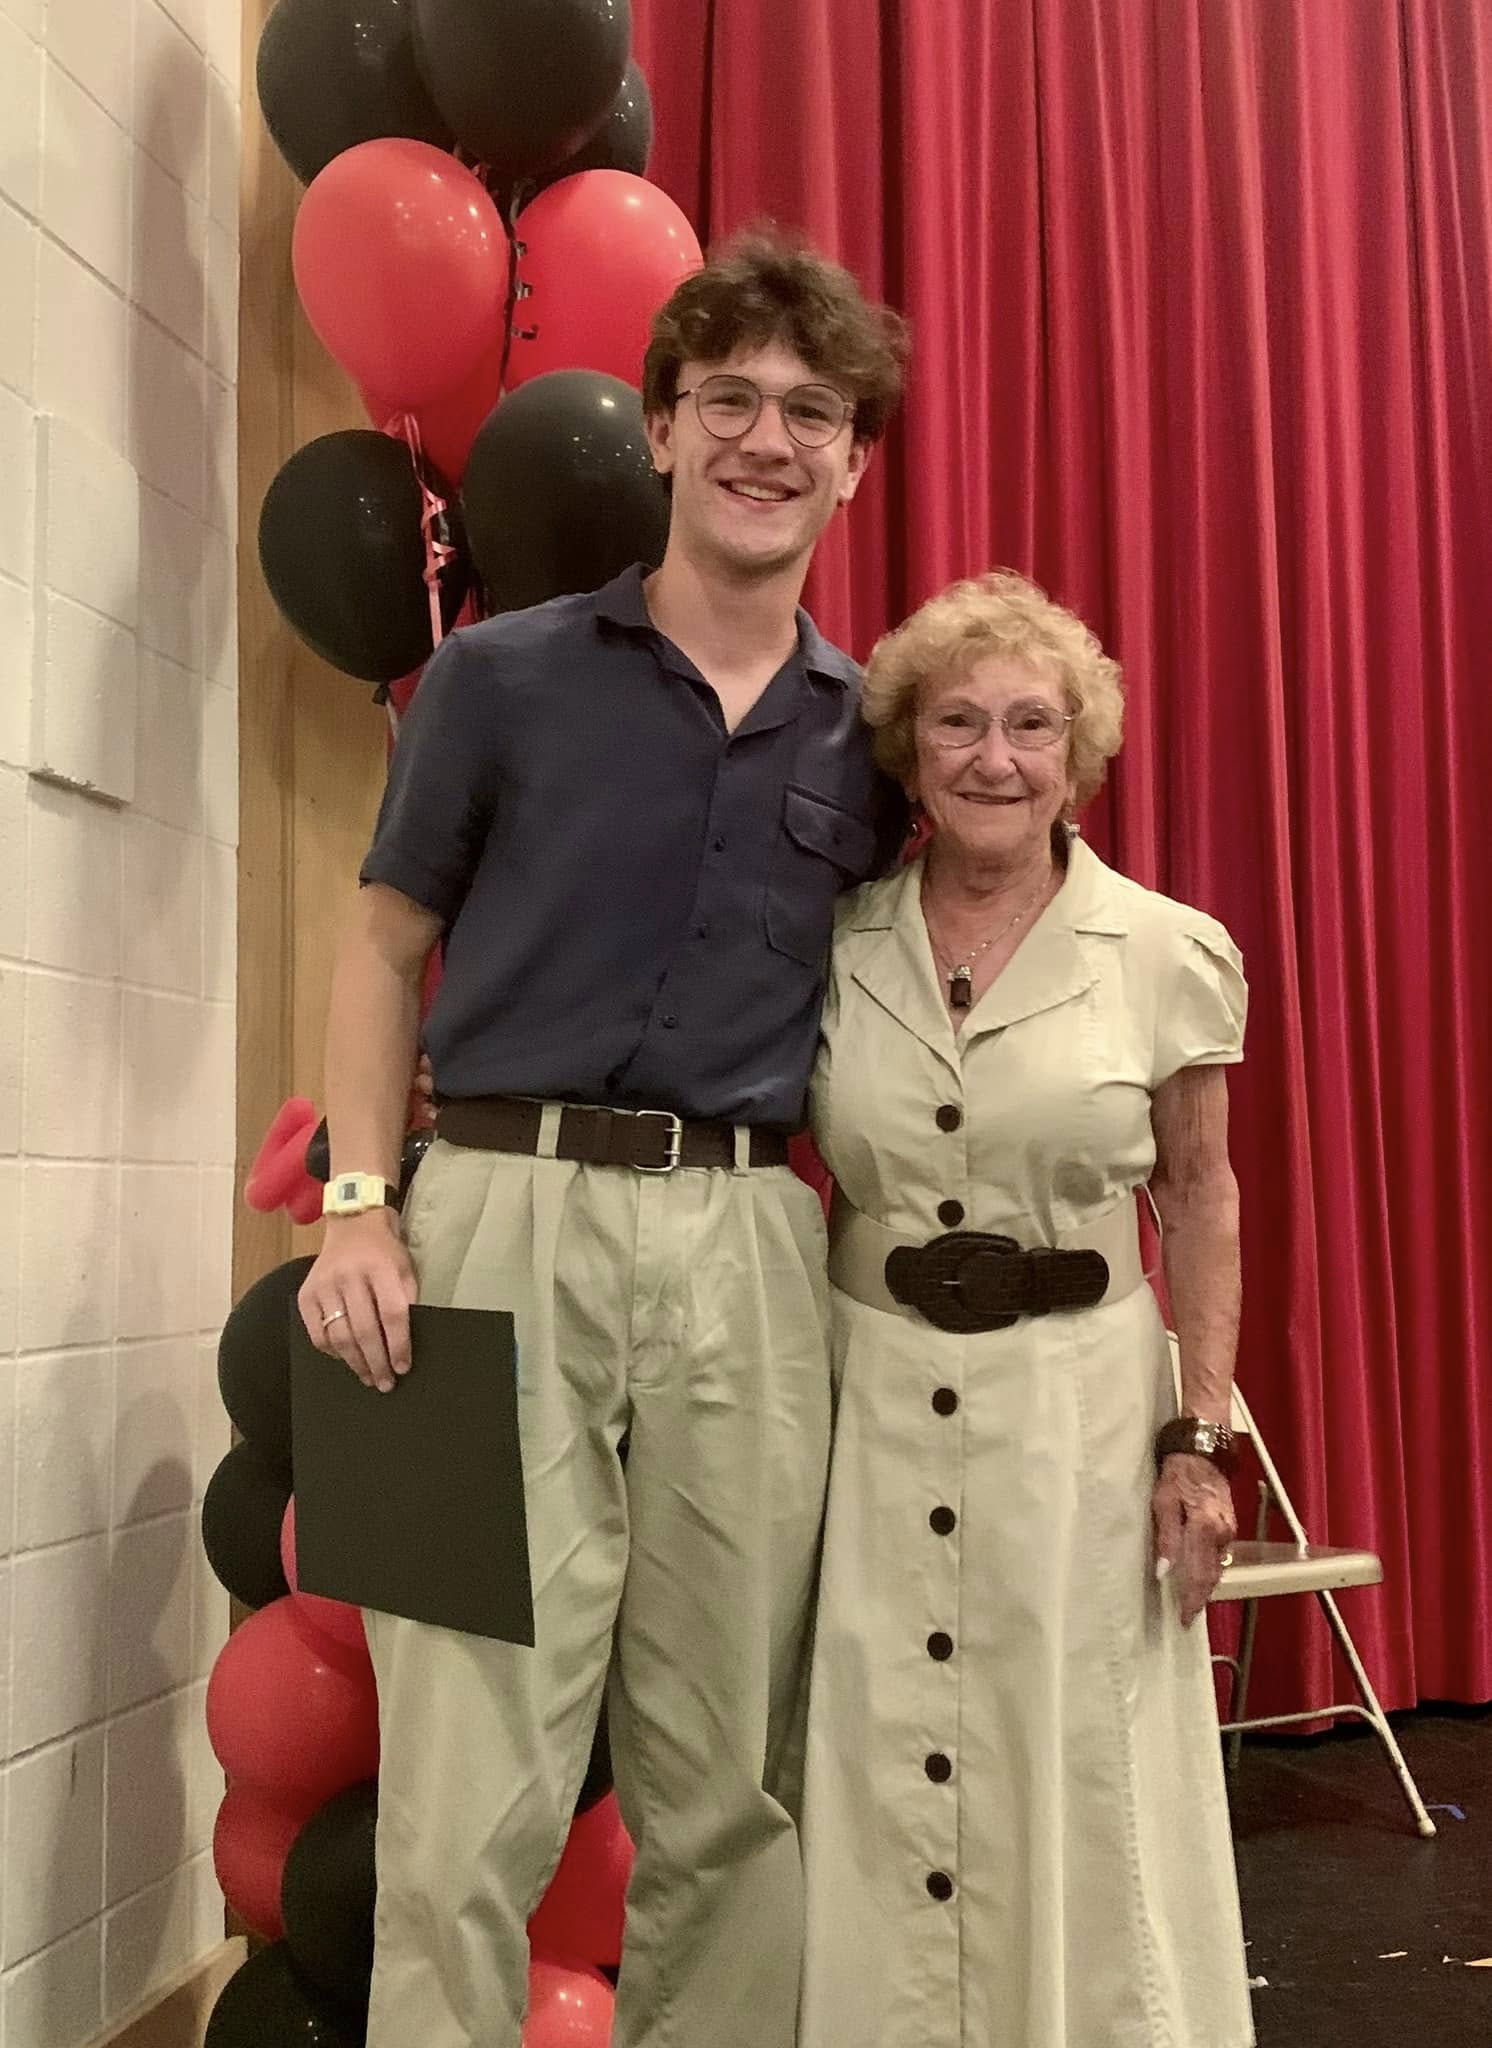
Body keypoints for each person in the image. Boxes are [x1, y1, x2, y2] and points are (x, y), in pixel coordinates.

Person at [295, 227, 908, 2048]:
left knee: (734, 1783)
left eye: (812, 412)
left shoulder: (867, 733)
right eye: (727, 399)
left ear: (855, 460)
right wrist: (354, 1207)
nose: (766, 441)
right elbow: (382, 944)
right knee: (464, 1794)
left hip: (746, 1251)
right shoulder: (505, 679)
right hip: (491, 1229)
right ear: (658, 428)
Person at [799, 570, 1255, 2048]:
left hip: (1083, 1404)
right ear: (908, 749)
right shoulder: (834, 943)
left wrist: (1199, 1437)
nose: (994, 756)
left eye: (1031, 725)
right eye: (958, 723)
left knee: (1074, 1747)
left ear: (1081, 754)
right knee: (878, 1739)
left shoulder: (1165, 947)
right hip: (867, 1395)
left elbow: (1199, 1194)